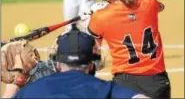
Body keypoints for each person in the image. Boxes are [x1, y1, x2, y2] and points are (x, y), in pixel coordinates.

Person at [87, 0, 171, 99]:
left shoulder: (101, 17)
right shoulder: (148, 0)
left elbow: (94, 55)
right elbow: (159, 7)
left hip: (125, 86)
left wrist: (94, 15)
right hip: (159, 84)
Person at [2, 25, 149, 98]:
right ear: (92, 65)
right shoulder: (107, 89)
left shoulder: (30, 91)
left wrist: (16, 80)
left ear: (58, 63)